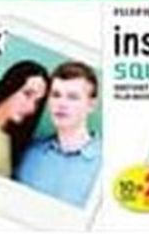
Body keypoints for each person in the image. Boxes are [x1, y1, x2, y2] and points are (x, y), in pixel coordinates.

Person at [16, 62, 102, 206]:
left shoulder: (106, 165)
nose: (61, 104)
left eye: (72, 97)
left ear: (91, 105)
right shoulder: (28, 153)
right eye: (56, 95)